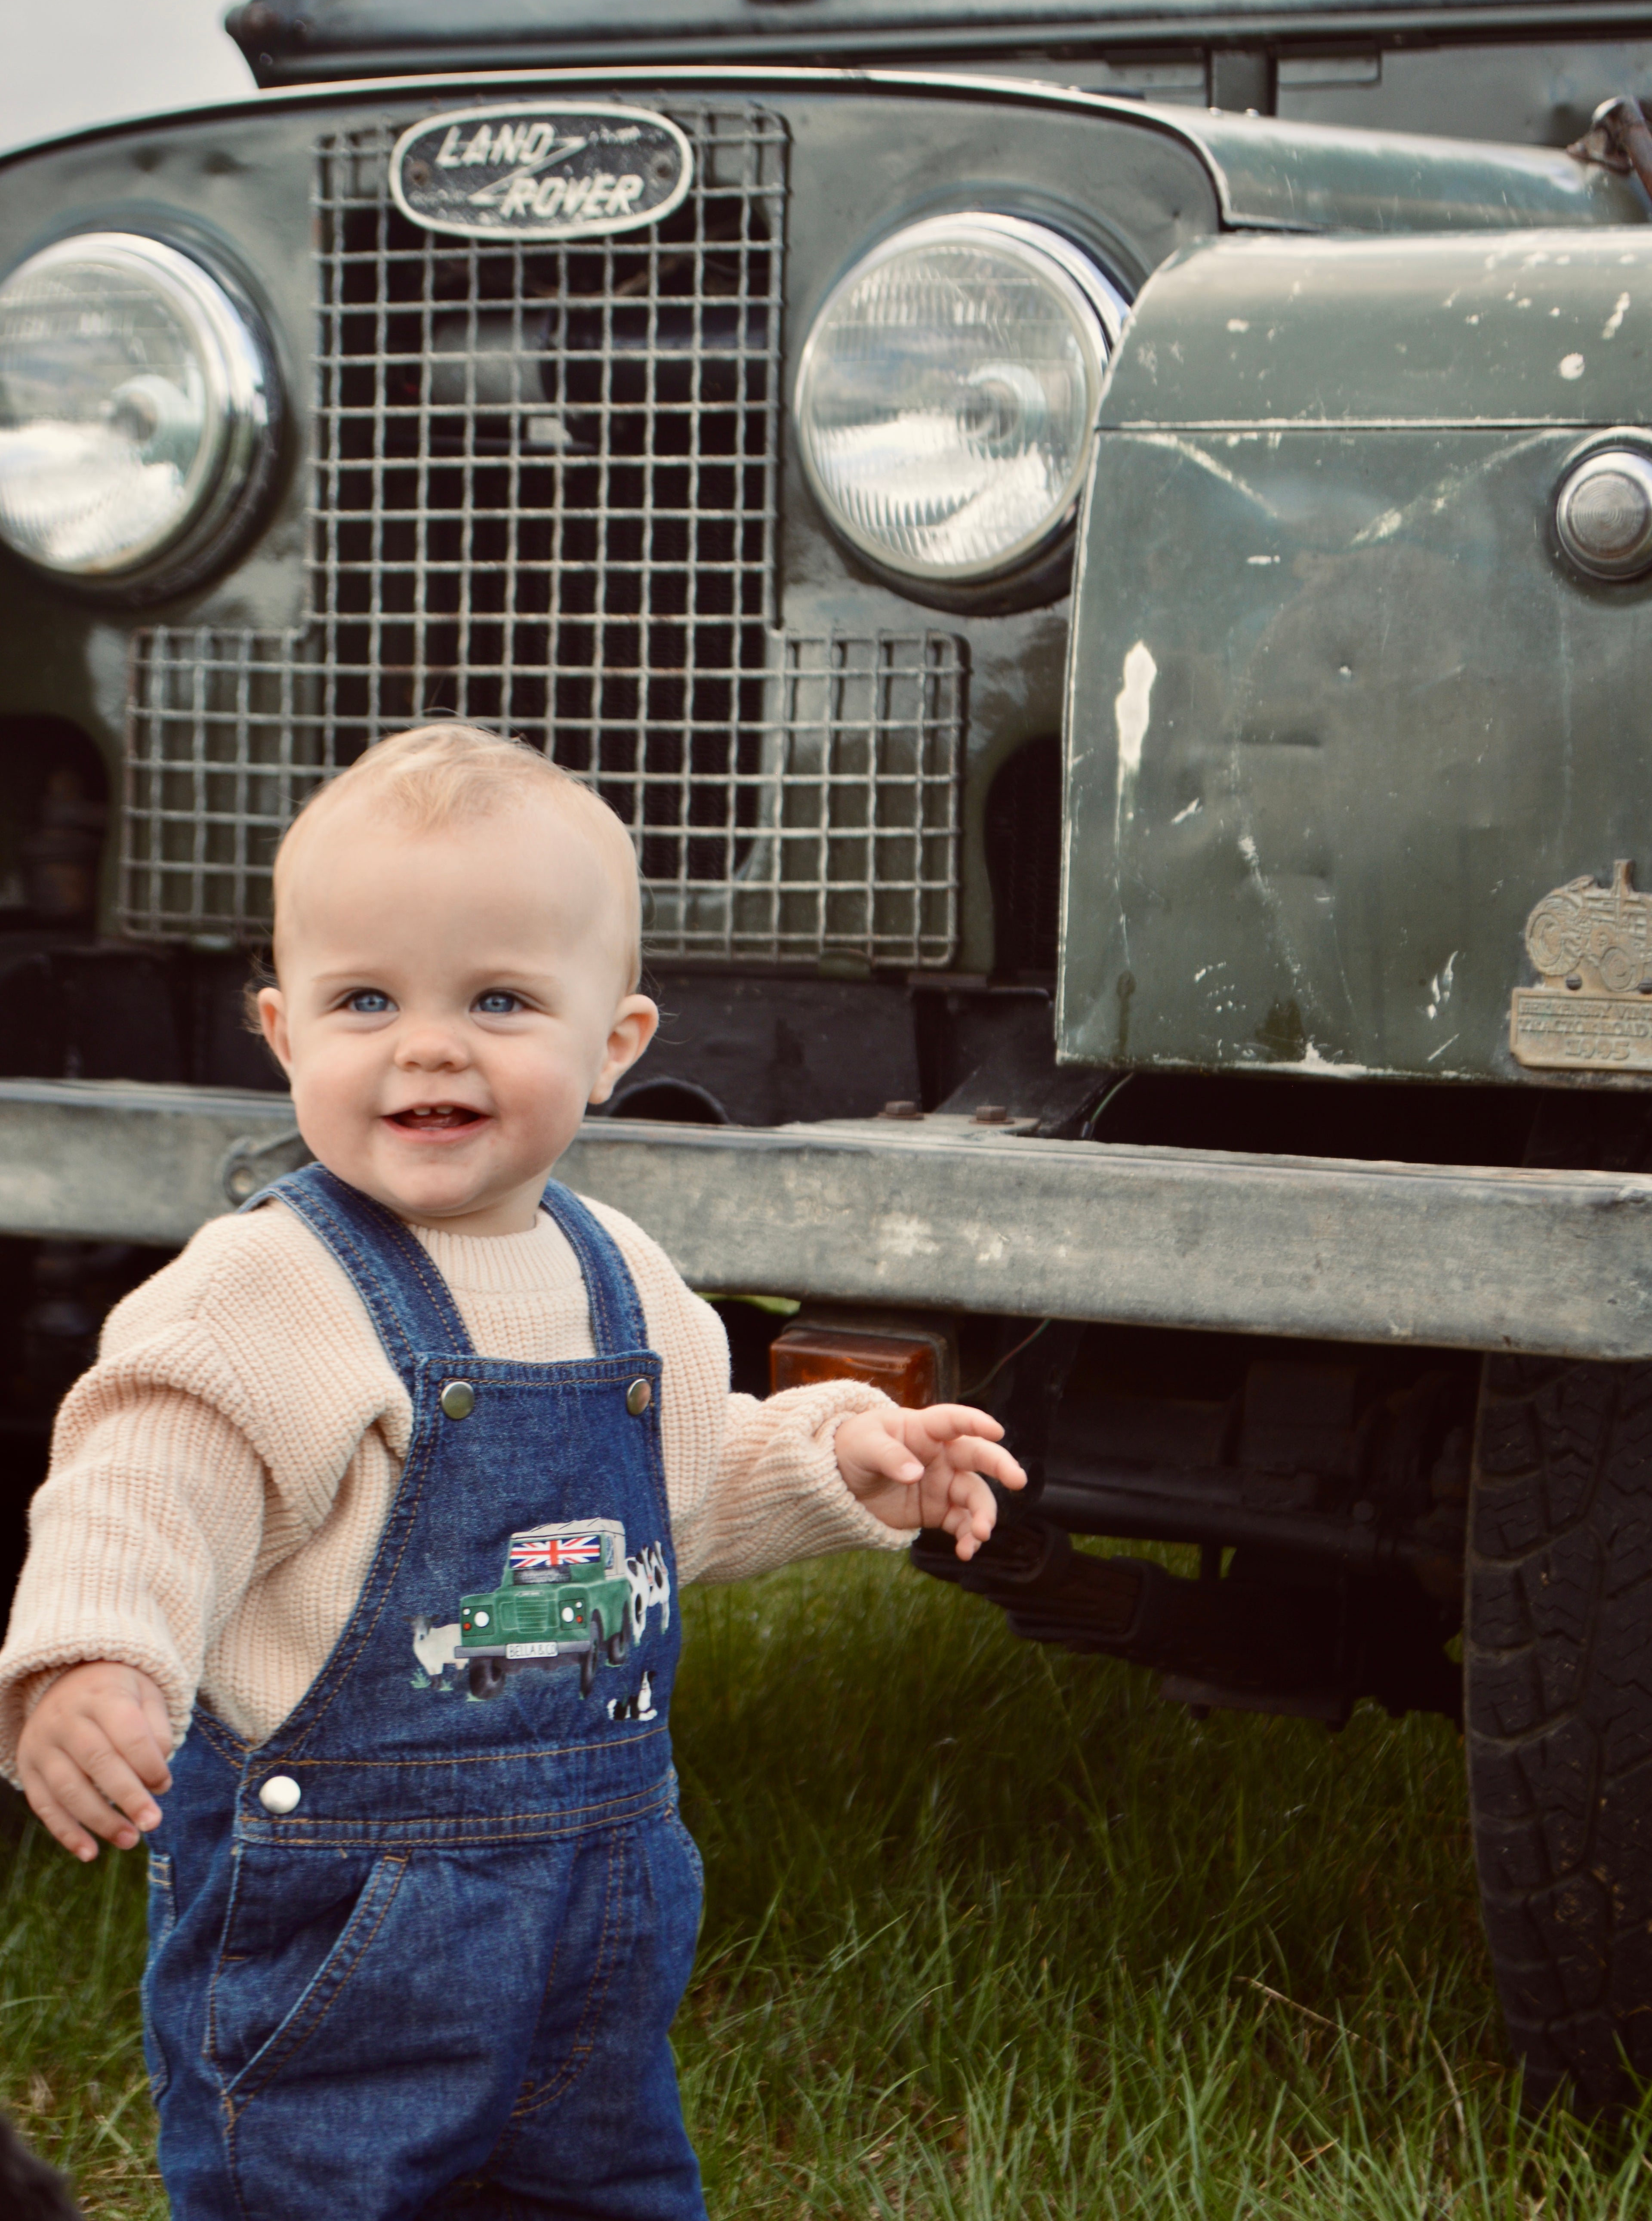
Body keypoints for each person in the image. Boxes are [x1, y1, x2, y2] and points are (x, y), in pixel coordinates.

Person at [0, 723, 1024, 2221]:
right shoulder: (265, 1289)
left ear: (614, 1044)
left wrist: (834, 1462)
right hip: (341, 1934)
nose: (428, 1045)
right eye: (367, 1000)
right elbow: (147, 1482)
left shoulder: (628, 1283)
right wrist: (96, 1657)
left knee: (603, 2186)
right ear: (283, 1036)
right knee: (325, 2189)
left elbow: (672, 1490)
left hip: (593, 1934)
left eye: (497, 999)